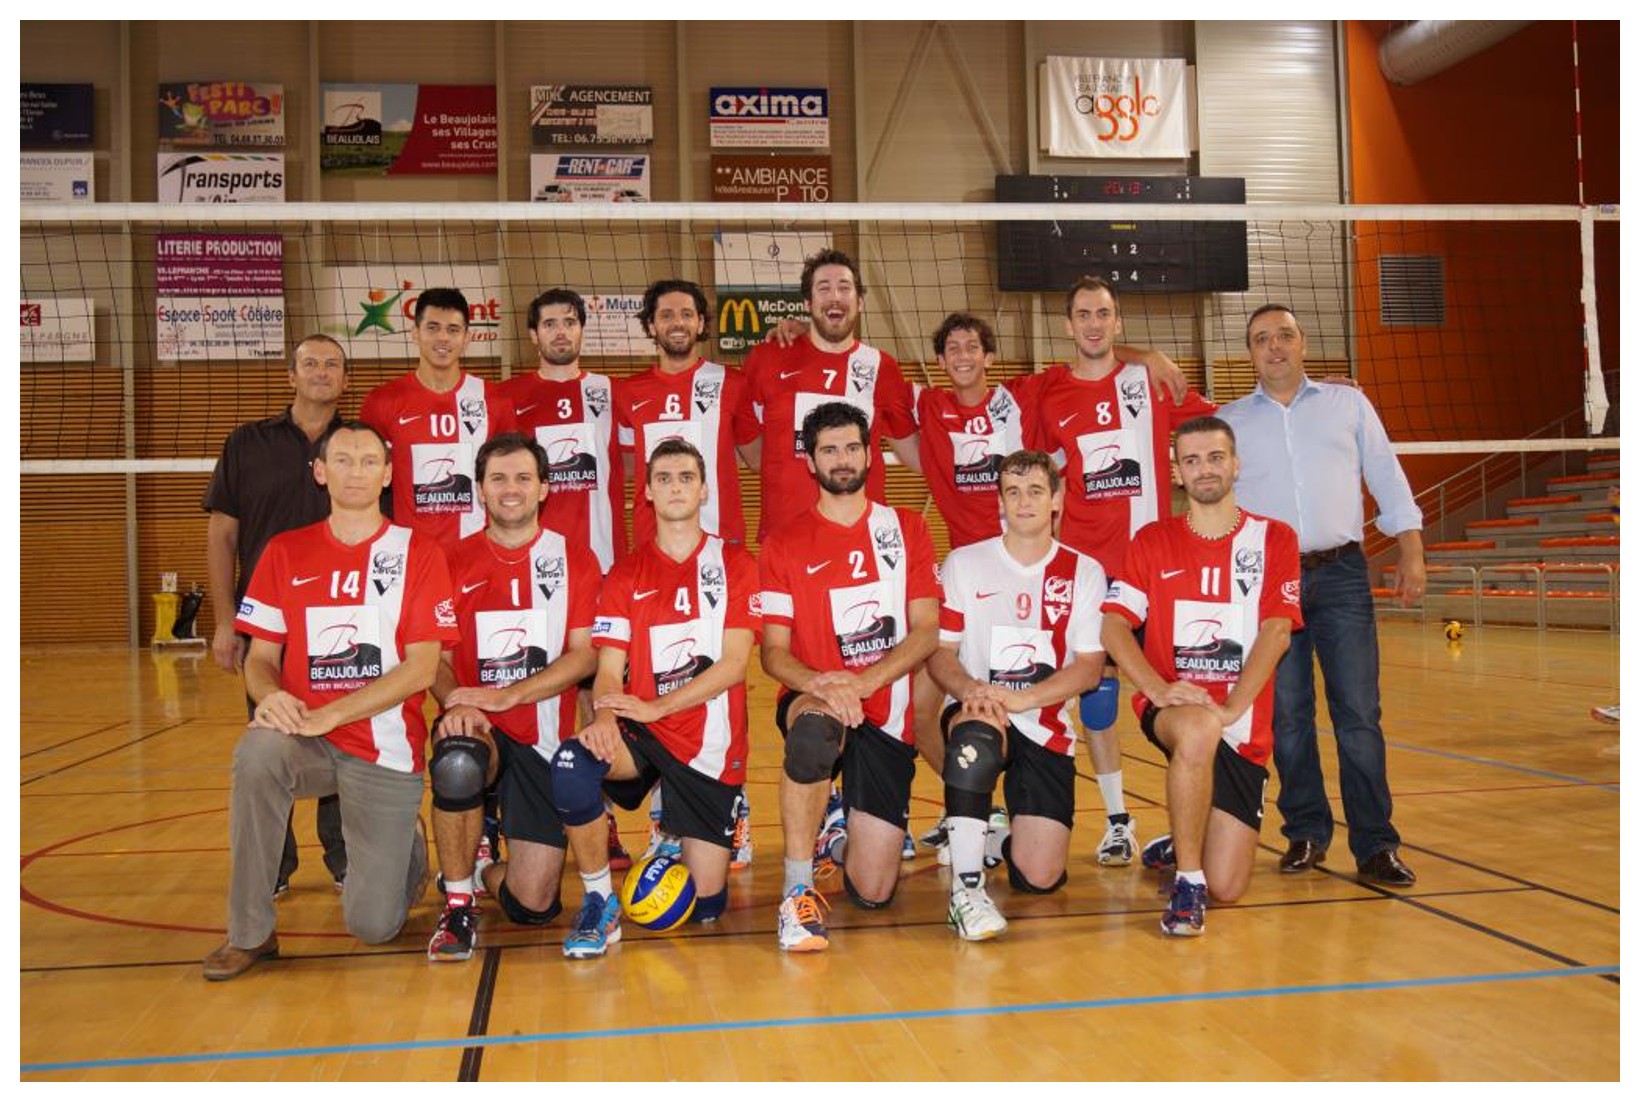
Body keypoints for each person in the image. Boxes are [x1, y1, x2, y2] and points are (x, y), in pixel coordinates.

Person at [202, 421, 458, 980]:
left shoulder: (418, 552)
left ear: (387, 475)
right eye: (342, 460)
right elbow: (260, 657)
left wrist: (333, 713)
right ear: (320, 473)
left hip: (383, 748)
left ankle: (407, 848)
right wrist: (270, 697)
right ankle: (250, 933)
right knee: (257, 754)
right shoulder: (284, 551)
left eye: (369, 461)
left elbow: (422, 667)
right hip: (306, 740)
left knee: (374, 925)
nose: (356, 472)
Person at [1218, 305, 1423, 887]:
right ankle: (1306, 832)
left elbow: (1386, 475)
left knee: (1358, 714)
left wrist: (1411, 550)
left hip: (1342, 575)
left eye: (1284, 335)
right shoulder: (1228, 421)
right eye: (1262, 339)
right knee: (1287, 717)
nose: (1274, 347)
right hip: (1266, 582)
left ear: (1303, 342)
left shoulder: (1347, 404)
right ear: (1249, 353)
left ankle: (1376, 843)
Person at [1028, 276, 1216, 870]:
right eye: (1082, 314)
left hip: (1154, 565)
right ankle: (1117, 822)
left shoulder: (1150, 381)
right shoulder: (1048, 392)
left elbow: (1221, 426)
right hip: (1088, 568)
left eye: (1103, 314)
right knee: (1097, 699)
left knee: (1185, 694)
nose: (1092, 324)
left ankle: (1194, 822)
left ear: (1117, 322)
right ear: (1067, 324)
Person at [548, 440, 761, 958]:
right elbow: (607, 670)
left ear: (704, 490)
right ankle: (599, 900)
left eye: (686, 477)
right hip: (641, 733)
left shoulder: (735, 562)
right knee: (573, 762)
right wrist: (604, 714)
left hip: (708, 745)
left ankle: (685, 829)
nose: (675, 487)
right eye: (663, 478)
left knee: (704, 906)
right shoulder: (626, 573)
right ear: (646, 492)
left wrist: (658, 707)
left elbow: (734, 664)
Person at [1100, 416, 1302, 936]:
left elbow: (1278, 631)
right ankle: (1188, 884)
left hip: (1240, 721)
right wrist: (1155, 688)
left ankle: (1184, 837)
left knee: (1229, 886)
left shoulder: (1275, 538)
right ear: (1177, 472)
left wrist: (1232, 708)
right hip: (1176, 708)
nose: (1204, 469)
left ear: (1235, 464)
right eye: (1191, 460)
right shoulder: (1152, 540)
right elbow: (1113, 627)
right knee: (1196, 728)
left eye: (1215, 458)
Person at [758, 402, 940, 951]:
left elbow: (927, 630)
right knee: (812, 738)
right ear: (810, 460)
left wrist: (865, 682)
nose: (842, 459)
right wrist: (826, 685)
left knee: (874, 890)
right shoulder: (783, 543)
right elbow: (773, 654)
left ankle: (835, 835)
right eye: (829, 449)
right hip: (816, 698)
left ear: (869, 454)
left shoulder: (906, 528)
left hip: (884, 710)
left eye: (852, 447)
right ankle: (797, 890)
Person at [424, 434, 600, 961]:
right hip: (477, 725)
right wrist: (457, 700)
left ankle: (481, 865)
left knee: (533, 904)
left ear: (544, 487)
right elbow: (432, 657)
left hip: (543, 736)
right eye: (497, 478)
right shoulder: (448, 559)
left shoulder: (575, 558)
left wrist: (509, 695)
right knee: (458, 761)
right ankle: (458, 905)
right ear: (479, 489)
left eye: (523, 478)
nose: (510, 489)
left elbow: (584, 656)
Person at [927, 450, 1106, 940]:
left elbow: (1089, 667)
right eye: (1013, 491)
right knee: (975, 739)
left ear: (1056, 499)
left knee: (1040, 878)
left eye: (1035, 491)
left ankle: (994, 839)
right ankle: (966, 889)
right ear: (1000, 502)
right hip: (979, 711)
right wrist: (970, 690)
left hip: (1044, 724)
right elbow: (941, 653)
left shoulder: (1084, 572)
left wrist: (1024, 700)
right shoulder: (965, 563)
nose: (1023, 501)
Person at [203, 334, 350, 895]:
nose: (321, 372)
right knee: (270, 740)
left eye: (332, 365)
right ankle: (273, 868)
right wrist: (226, 620)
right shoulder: (247, 443)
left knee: (341, 735)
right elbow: (222, 535)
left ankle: (345, 859)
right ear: (291, 376)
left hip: (342, 621)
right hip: (267, 624)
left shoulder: (358, 445)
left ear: (345, 380)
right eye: (310, 363)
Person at [743, 248, 918, 539]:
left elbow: (915, 454)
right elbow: (751, 452)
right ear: (808, 303)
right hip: (787, 537)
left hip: (862, 536)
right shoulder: (767, 359)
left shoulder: (881, 367)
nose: (835, 296)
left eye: (844, 288)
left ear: (860, 302)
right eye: (824, 288)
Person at [359, 286, 517, 561]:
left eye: (453, 330)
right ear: (415, 333)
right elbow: (369, 483)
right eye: (433, 328)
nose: (443, 337)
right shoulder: (382, 401)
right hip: (409, 555)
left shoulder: (495, 400)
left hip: (480, 554)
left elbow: (508, 478)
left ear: (467, 338)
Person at [614, 279, 761, 547]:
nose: (678, 323)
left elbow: (757, 459)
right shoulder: (628, 391)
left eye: (687, 314)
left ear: (701, 323)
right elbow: (628, 466)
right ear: (651, 325)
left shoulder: (733, 383)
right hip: (652, 542)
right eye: (666, 315)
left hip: (720, 540)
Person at [501, 288, 625, 572]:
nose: (560, 332)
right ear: (533, 335)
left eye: (569, 323)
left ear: (581, 330)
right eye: (549, 324)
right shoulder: (505, 397)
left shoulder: (612, 391)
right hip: (529, 557)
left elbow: (631, 464)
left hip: (603, 557)